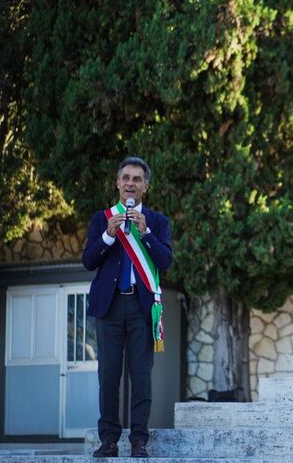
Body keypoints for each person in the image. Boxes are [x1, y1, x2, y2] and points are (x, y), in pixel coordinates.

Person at [83, 157, 172, 458]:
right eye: (126, 178)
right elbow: (88, 261)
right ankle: (109, 440)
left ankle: (138, 441)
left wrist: (146, 234)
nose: (130, 183)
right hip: (109, 307)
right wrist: (108, 235)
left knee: (141, 377)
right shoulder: (102, 219)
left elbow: (166, 261)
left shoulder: (158, 222)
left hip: (141, 307)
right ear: (117, 183)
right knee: (108, 376)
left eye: (137, 179)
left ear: (146, 186)